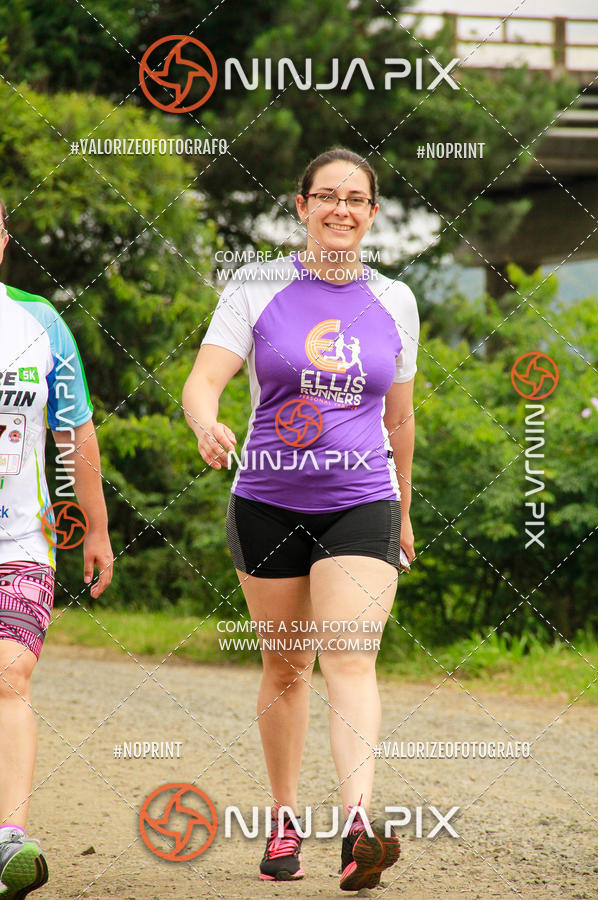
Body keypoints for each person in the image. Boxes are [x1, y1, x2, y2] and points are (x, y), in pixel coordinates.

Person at [183, 148, 419, 891]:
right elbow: (204, 379)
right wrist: (204, 423)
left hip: (362, 500)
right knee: (286, 669)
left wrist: (404, 510)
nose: (341, 209)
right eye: (327, 197)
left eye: (356, 199)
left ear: (373, 214)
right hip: (267, 502)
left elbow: (401, 416)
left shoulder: (398, 300)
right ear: (302, 205)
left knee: (349, 654)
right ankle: (284, 824)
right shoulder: (255, 287)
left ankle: (358, 828)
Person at [0, 200, 113, 898]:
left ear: (4, 239)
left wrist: (95, 527)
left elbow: (75, 433)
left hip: (21, 542)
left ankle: (8, 839)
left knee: (9, 674)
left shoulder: (39, 323)